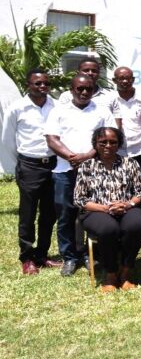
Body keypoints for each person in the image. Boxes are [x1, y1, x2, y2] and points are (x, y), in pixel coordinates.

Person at [45, 74, 117, 276]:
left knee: (93, 214)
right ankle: (69, 257)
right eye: (79, 88)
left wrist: (86, 156)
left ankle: (89, 254)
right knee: (66, 215)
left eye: (88, 89)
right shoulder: (58, 111)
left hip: (95, 171)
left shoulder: (102, 111)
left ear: (94, 90)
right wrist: (71, 157)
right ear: (71, 89)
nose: (84, 92)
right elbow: (52, 139)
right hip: (64, 171)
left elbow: (110, 137)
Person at [74, 127, 141, 291]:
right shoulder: (87, 166)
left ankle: (126, 271)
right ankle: (111, 273)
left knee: (135, 225)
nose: (108, 145)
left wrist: (127, 204)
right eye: (103, 142)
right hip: (96, 210)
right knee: (108, 228)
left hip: (127, 207)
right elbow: (80, 199)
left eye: (113, 142)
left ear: (119, 144)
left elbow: (140, 193)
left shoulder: (130, 163)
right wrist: (106, 208)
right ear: (96, 144)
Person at [3, 69, 60, 274]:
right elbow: (7, 140)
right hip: (29, 165)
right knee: (27, 214)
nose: (42, 87)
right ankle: (27, 258)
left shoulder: (57, 106)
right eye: (38, 83)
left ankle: (41, 255)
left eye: (46, 83)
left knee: (49, 213)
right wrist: (19, 164)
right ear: (28, 85)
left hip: (53, 164)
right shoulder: (17, 108)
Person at [111, 67, 141, 167]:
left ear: (133, 80)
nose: (125, 81)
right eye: (121, 78)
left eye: (128, 78)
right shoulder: (110, 100)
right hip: (117, 152)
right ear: (114, 80)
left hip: (140, 150)